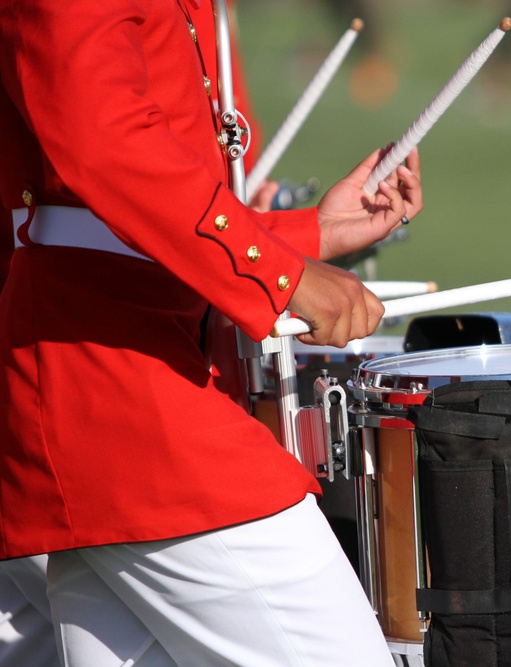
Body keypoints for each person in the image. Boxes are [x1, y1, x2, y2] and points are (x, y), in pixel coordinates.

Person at [0, 1, 422, 665]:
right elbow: (107, 146)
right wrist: (282, 274)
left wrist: (310, 233)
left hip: (122, 374)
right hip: (122, 390)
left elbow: (122, 214)